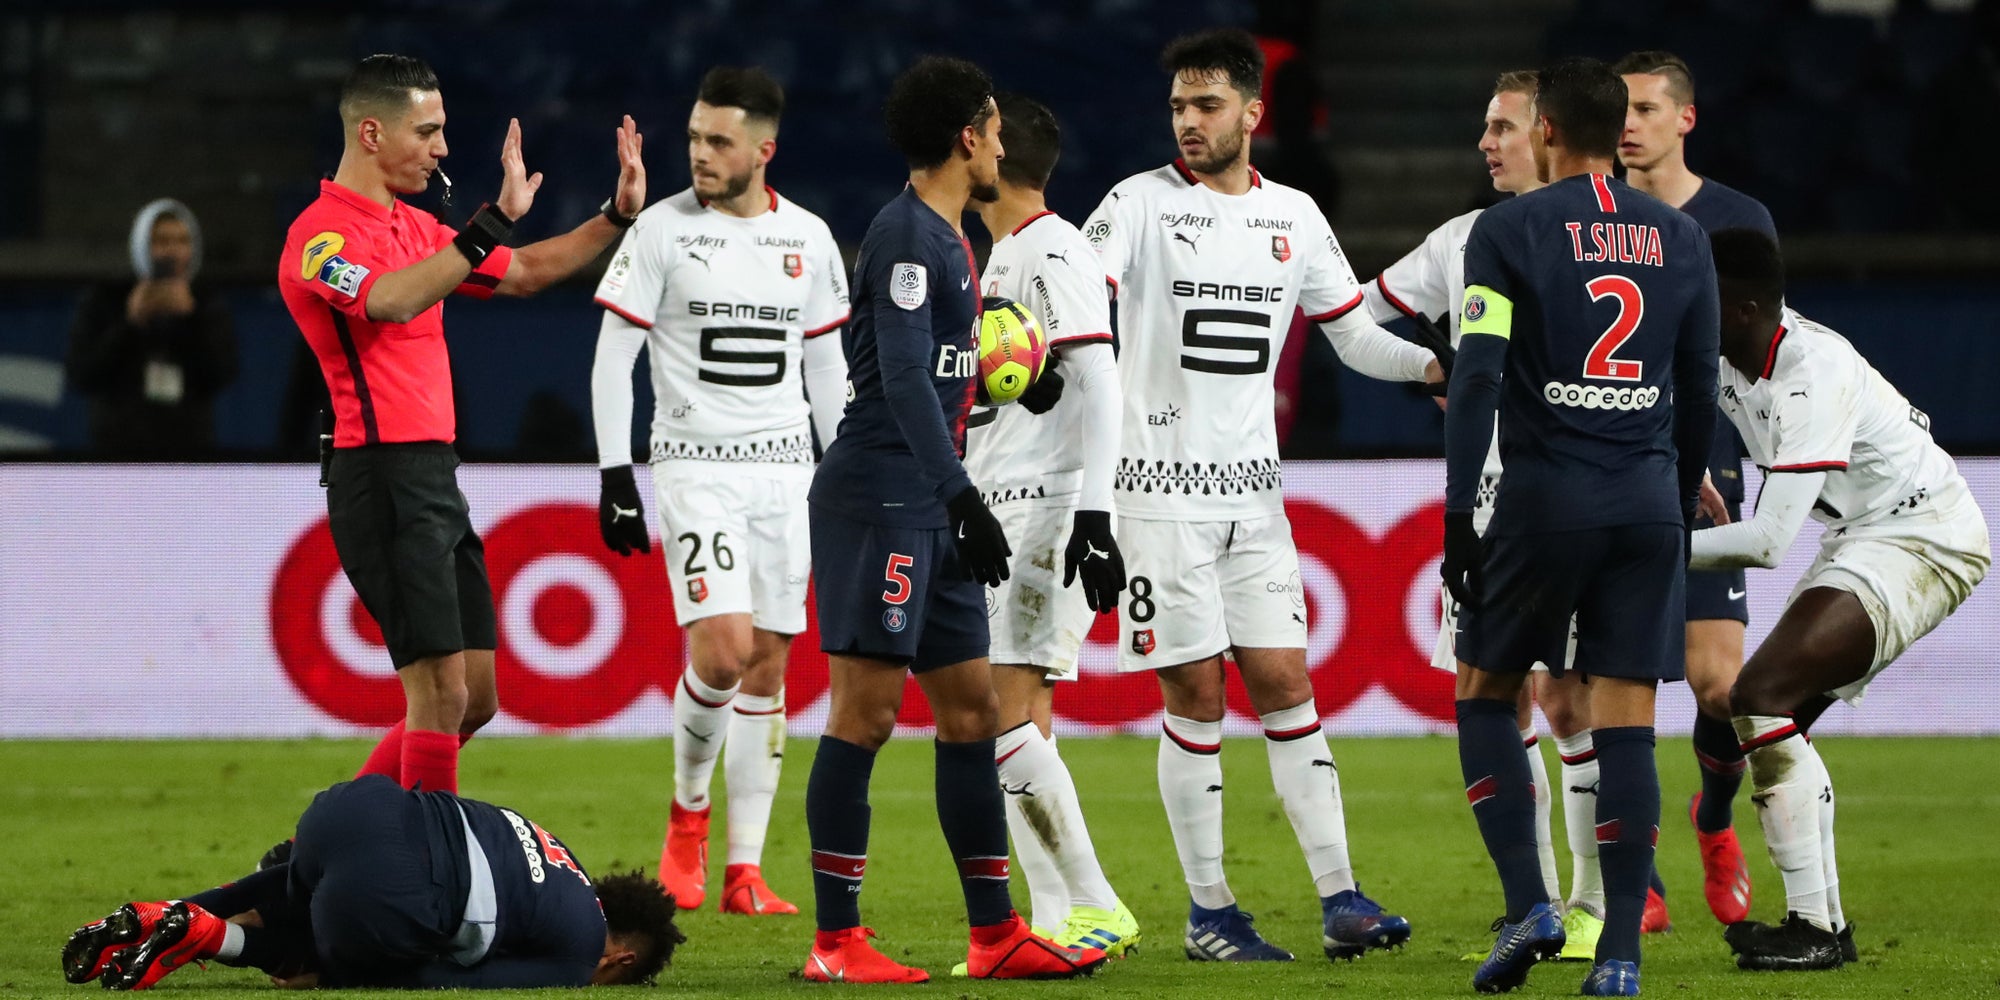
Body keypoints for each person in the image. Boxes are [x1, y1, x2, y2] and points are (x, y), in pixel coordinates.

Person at [1081, 27, 1438, 964]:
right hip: (1157, 500)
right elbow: (1078, 294)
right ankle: (1210, 912)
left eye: (1207, 105)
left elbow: (1352, 334)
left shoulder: (1295, 216)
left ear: (1252, 112)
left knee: (1286, 685)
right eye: (1178, 107)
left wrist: (1432, 366)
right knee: (1197, 697)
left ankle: (1342, 899)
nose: (1188, 122)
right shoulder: (1137, 204)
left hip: (1255, 502)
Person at [800, 55, 1106, 984]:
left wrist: (1014, 377)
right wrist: (962, 495)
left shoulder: (948, 238)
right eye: (995, 132)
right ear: (967, 139)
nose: (1004, 148)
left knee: (974, 712)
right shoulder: (905, 237)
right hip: (880, 501)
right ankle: (836, 944)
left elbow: (938, 366)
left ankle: (995, 934)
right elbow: (899, 380)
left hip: (931, 504)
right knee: (866, 714)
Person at [276, 54, 644, 801]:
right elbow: (391, 301)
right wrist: (489, 223)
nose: (443, 148)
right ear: (371, 133)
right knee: (439, 694)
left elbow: (527, 272)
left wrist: (617, 215)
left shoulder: (417, 229)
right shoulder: (319, 238)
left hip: (434, 477)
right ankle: (420, 857)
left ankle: (334, 837)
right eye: (428, 132)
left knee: (474, 697)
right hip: (381, 476)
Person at [1442, 57, 1718, 996]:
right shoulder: (1681, 236)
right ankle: (1621, 956)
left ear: (1548, 130)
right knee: (1628, 722)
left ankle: (1532, 906)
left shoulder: (1507, 229)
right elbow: (1698, 388)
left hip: (1545, 502)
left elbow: (1479, 374)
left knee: (1484, 692)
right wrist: (1675, 500)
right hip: (1644, 503)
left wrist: (1458, 513)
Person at [589, 65, 847, 918]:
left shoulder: (808, 237)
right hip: (696, 466)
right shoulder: (661, 230)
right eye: (695, 137)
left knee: (770, 661)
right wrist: (614, 471)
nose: (699, 153)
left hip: (787, 472)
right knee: (725, 651)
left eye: (719, 141)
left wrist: (844, 472)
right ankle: (687, 817)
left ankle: (744, 871)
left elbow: (825, 369)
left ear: (763, 150)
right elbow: (614, 356)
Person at [1697, 228, 1989, 971]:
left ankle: (1815, 928)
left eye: (1702, 293)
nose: (1686, 304)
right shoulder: (1727, 354)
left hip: (1924, 533)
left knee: (1760, 695)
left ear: (1743, 308)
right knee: (1773, 716)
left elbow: (1769, 541)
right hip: (1863, 532)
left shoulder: (1813, 373)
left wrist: (1640, 550)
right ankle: (1822, 926)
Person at [1362, 68, 1599, 958]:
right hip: (1491, 499)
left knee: (1568, 702)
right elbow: (1354, 314)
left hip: (1567, 494)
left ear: (1548, 132)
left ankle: (1589, 904)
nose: (1485, 143)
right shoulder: (1460, 239)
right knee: (1498, 697)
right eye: (1485, 127)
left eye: (1502, 127)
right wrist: (1430, 368)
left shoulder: (1593, 233)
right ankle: (1532, 903)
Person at [964, 91, 1137, 956]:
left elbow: (1100, 379)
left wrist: (1094, 517)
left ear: (1000, 158)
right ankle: (1062, 914)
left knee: (1000, 711)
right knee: (1021, 717)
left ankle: (1097, 902)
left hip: (1049, 504)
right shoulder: (1006, 256)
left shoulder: (1052, 248)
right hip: (1013, 499)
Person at [1613, 49, 1779, 931]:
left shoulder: (1739, 220)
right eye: (1618, 109)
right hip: (1606, 469)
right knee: (1615, 684)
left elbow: (1760, 352)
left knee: (1720, 689)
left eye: (1645, 108)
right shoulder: (1589, 214)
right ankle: (1636, 876)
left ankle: (1714, 821)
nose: (1628, 124)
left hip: (1707, 465)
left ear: (1686, 118)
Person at [63, 776, 683, 990]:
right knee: (341, 945)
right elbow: (443, 982)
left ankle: (168, 913)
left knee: (300, 889)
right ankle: (215, 939)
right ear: (621, 960)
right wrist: (337, 975)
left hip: (346, 810)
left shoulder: (554, 848)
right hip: (383, 890)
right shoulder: (581, 952)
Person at [65, 199, 238, 459]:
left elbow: (221, 373)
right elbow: (82, 374)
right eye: (161, 241)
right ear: (141, 244)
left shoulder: (205, 302)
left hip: (190, 453)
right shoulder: (105, 298)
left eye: (182, 241)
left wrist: (189, 320)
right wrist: (130, 323)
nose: (173, 251)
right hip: (118, 454)